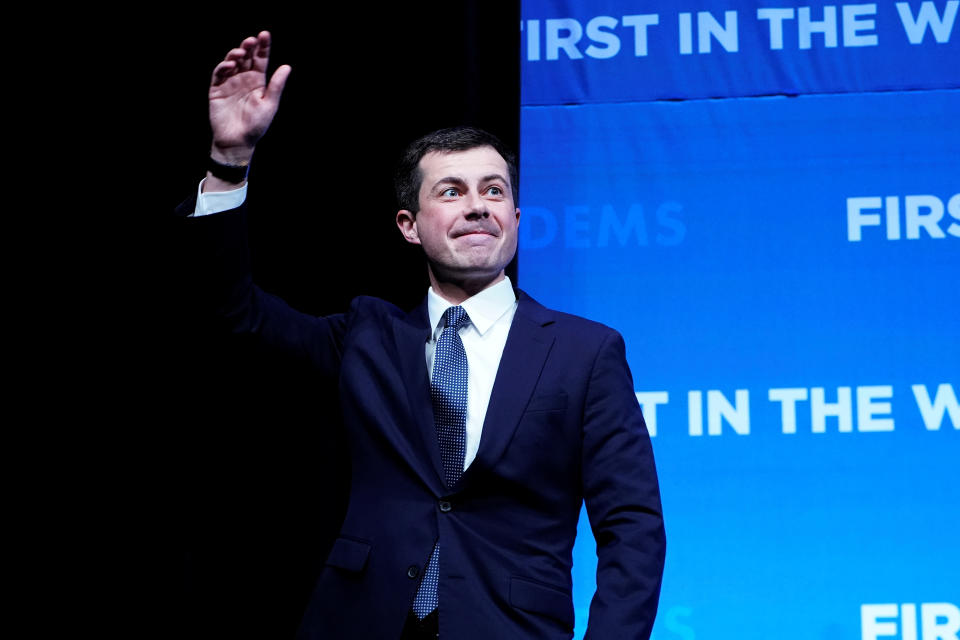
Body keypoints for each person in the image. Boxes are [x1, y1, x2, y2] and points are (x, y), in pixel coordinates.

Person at [178, 31, 665, 640]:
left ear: (516, 219)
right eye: (452, 191)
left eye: (495, 191)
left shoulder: (585, 352)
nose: (479, 206)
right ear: (409, 226)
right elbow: (232, 315)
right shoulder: (367, 334)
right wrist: (229, 163)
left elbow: (633, 526)